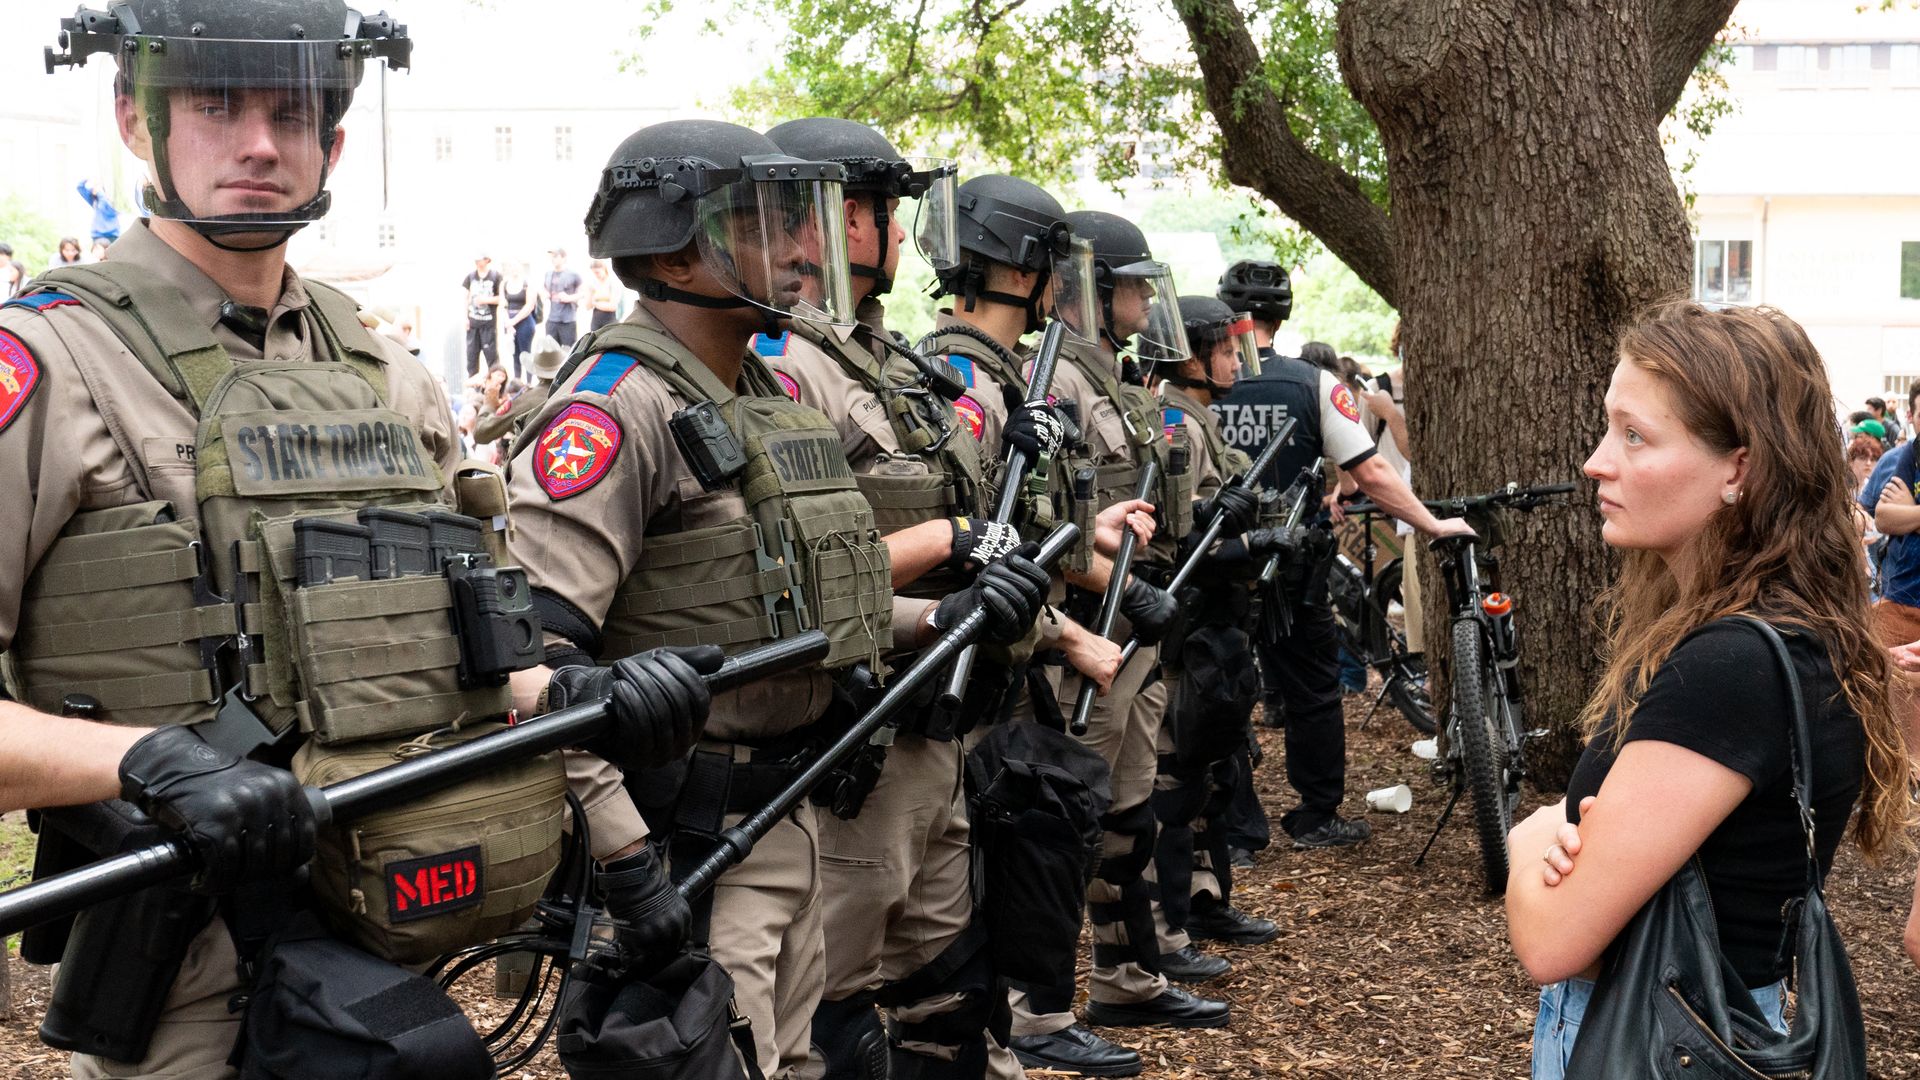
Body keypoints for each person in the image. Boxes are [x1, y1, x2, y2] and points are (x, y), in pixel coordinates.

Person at [3, 5, 715, 1076]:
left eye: (292, 112)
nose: (257, 143)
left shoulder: (389, 378)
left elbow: (475, 650)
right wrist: (142, 761)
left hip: (383, 937)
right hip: (181, 978)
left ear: (333, 142)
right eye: (213, 103)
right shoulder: (49, 364)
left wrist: (579, 699)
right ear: (133, 118)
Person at [500, 118, 1049, 1080]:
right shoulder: (613, 408)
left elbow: (802, 615)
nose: (806, 249)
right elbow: (534, 675)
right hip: (687, 844)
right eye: (768, 224)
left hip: (787, 812)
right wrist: (629, 867)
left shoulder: (763, 399)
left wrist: (943, 617)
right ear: (674, 246)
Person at [1507, 301, 1910, 1075]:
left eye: (1635, 435)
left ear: (1739, 468)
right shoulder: (1788, 631)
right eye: (1607, 427)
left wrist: (1532, 837)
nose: (1597, 461)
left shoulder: (1732, 666)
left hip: (1660, 1043)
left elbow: (1552, 939)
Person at [915, 176, 1150, 1078]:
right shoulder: (967, 379)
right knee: (964, 912)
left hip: (1011, 660)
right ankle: (1016, 1036)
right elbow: (976, 541)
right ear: (1027, 269)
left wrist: (1089, 537)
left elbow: (1024, 529)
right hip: (969, 673)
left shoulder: (1014, 372)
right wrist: (1066, 631)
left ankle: (1017, 1037)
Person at [1212, 285, 1471, 851]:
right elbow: (1372, 470)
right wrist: (1431, 525)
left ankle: (1229, 831)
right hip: (1292, 565)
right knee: (1312, 691)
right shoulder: (1313, 382)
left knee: (1217, 686)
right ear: (1280, 319)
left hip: (1216, 560)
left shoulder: (1187, 381)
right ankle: (1315, 815)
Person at [1145, 296, 1282, 983]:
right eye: (1226, 350)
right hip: (1187, 629)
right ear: (1192, 355)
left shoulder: (1202, 418)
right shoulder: (1174, 422)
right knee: (1177, 773)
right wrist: (1246, 538)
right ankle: (1169, 926)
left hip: (1219, 625)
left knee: (1216, 770)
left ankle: (1205, 901)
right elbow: (1179, 539)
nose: (1236, 360)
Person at [461, 252, 503, 376]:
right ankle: (473, 388)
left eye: (480, 260)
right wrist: (465, 318)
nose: (477, 263)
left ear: (487, 260)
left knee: (491, 357)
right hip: (473, 324)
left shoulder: (495, 276)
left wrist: (486, 300)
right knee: (471, 357)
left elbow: (502, 298)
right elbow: (465, 298)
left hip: (488, 324)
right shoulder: (470, 277)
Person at [501, 258, 539, 377]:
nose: (514, 270)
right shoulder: (504, 284)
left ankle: (528, 383)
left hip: (525, 322)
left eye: (516, 267)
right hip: (509, 322)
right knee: (514, 353)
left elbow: (530, 306)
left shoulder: (527, 283)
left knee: (525, 353)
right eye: (511, 267)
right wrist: (508, 322)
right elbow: (503, 305)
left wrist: (514, 321)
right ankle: (517, 380)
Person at [543, 247, 583, 346]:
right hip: (552, 320)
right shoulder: (548, 274)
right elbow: (544, 289)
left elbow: (583, 293)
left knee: (568, 353)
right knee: (550, 353)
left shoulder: (573, 274)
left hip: (567, 320)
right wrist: (545, 293)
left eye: (556, 256)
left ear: (564, 258)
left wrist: (570, 298)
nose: (553, 259)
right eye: (551, 257)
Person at [586, 257, 620, 331]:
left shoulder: (612, 283)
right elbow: (588, 307)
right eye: (594, 273)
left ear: (604, 269)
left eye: (597, 272)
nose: (596, 275)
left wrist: (596, 303)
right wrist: (590, 292)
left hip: (609, 320)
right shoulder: (593, 284)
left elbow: (612, 307)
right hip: (596, 320)